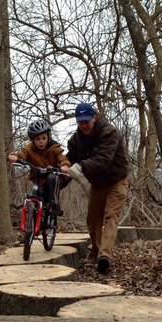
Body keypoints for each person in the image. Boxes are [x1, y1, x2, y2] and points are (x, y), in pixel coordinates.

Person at [61, 102, 129, 274]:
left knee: (110, 216)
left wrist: (81, 167)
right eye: (80, 122)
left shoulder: (109, 133)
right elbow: (70, 161)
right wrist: (58, 179)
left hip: (116, 181)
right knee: (92, 220)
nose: (84, 126)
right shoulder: (76, 140)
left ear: (94, 117)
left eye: (86, 121)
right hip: (97, 184)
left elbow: (104, 159)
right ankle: (95, 251)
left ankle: (104, 256)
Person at [8, 119, 71, 216]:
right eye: (37, 139)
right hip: (38, 178)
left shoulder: (54, 148)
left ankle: (55, 205)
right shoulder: (29, 149)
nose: (41, 142)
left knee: (52, 178)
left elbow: (62, 158)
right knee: (36, 192)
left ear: (48, 137)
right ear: (33, 140)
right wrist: (14, 156)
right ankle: (32, 217)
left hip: (54, 178)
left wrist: (65, 165)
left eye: (43, 138)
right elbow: (21, 154)